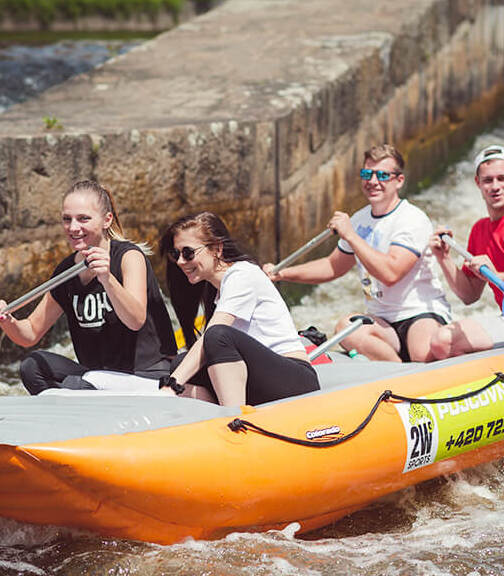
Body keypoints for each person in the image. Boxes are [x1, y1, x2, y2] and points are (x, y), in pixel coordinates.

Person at [263, 144, 451, 362]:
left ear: (399, 181)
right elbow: (333, 266)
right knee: (346, 326)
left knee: (421, 352)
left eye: (382, 175)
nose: (372, 181)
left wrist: (351, 236)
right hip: (382, 320)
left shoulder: (412, 219)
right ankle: (397, 376)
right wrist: (282, 273)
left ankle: (413, 373)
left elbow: (391, 274)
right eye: (366, 173)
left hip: (419, 313)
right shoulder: (359, 219)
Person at [0, 179, 177, 394]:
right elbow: (30, 334)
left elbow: (135, 320)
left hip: (145, 373)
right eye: (67, 219)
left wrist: (107, 278)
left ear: (106, 220)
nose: (73, 228)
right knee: (32, 365)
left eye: (83, 219)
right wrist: (7, 320)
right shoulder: (66, 270)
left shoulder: (128, 257)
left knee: (76, 386)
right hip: (97, 374)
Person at [159, 211, 320, 406]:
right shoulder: (215, 290)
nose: (180, 261)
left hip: (295, 379)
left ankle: (233, 418)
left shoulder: (242, 274)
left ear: (217, 249)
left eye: (188, 253)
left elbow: (214, 335)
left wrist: (171, 385)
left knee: (218, 336)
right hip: (259, 379)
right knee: (181, 362)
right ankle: (212, 417)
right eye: (176, 254)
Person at [429, 144, 504, 358]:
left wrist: (496, 275)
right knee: (442, 342)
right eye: (488, 180)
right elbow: (469, 295)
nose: (495, 186)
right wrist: (443, 257)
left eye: (502, 178)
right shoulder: (480, 229)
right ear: (478, 184)